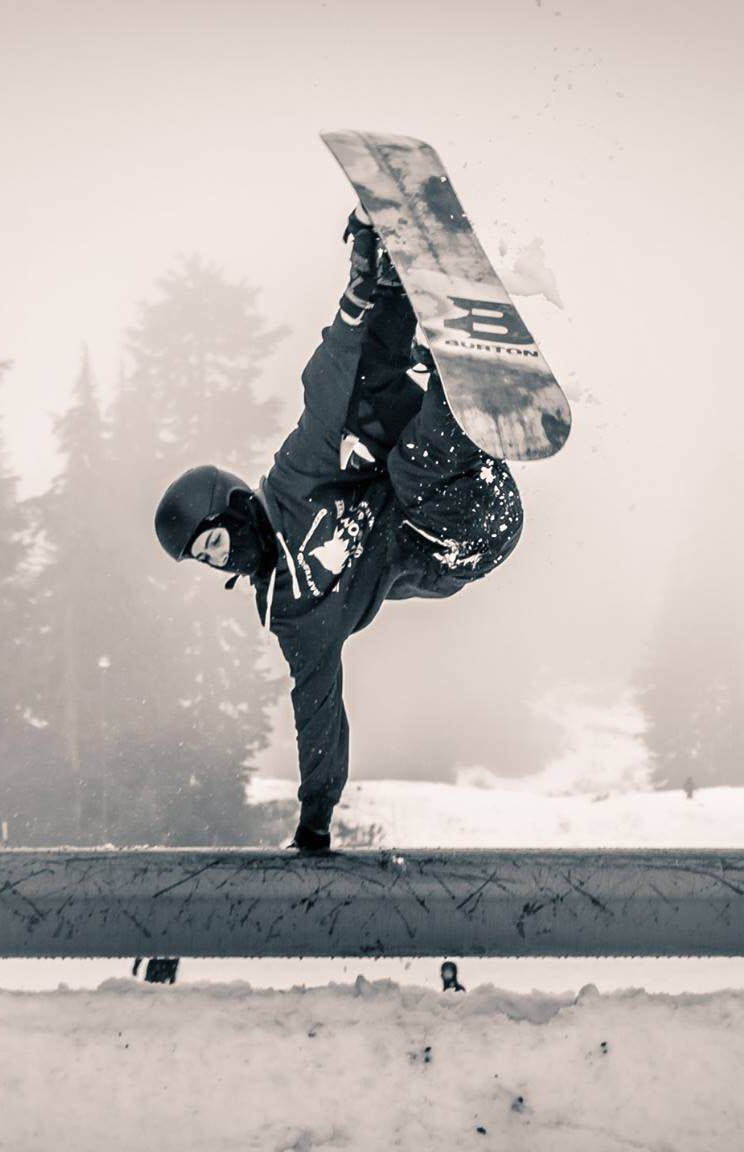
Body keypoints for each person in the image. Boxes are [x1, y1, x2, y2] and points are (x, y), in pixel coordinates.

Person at [155, 209, 525, 854]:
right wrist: (315, 820)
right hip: (466, 538)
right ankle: (451, 379)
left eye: (215, 543)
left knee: (361, 400)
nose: (224, 562)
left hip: (461, 473)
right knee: (408, 467)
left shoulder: (297, 475)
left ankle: (395, 287)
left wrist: (356, 292)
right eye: (210, 563)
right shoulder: (294, 614)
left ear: (234, 506)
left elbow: (324, 387)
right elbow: (317, 711)